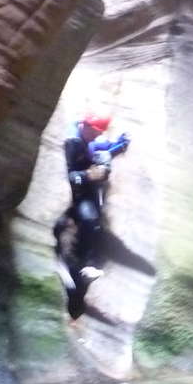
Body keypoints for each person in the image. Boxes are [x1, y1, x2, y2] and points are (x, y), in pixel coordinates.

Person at [53, 111, 129, 317]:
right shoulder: (72, 141)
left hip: (84, 187)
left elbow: (98, 148)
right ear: (87, 127)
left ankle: (85, 268)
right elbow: (69, 175)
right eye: (96, 132)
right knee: (88, 220)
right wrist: (88, 175)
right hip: (74, 192)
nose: (97, 136)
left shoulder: (85, 137)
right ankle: (83, 266)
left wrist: (118, 146)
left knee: (92, 219)